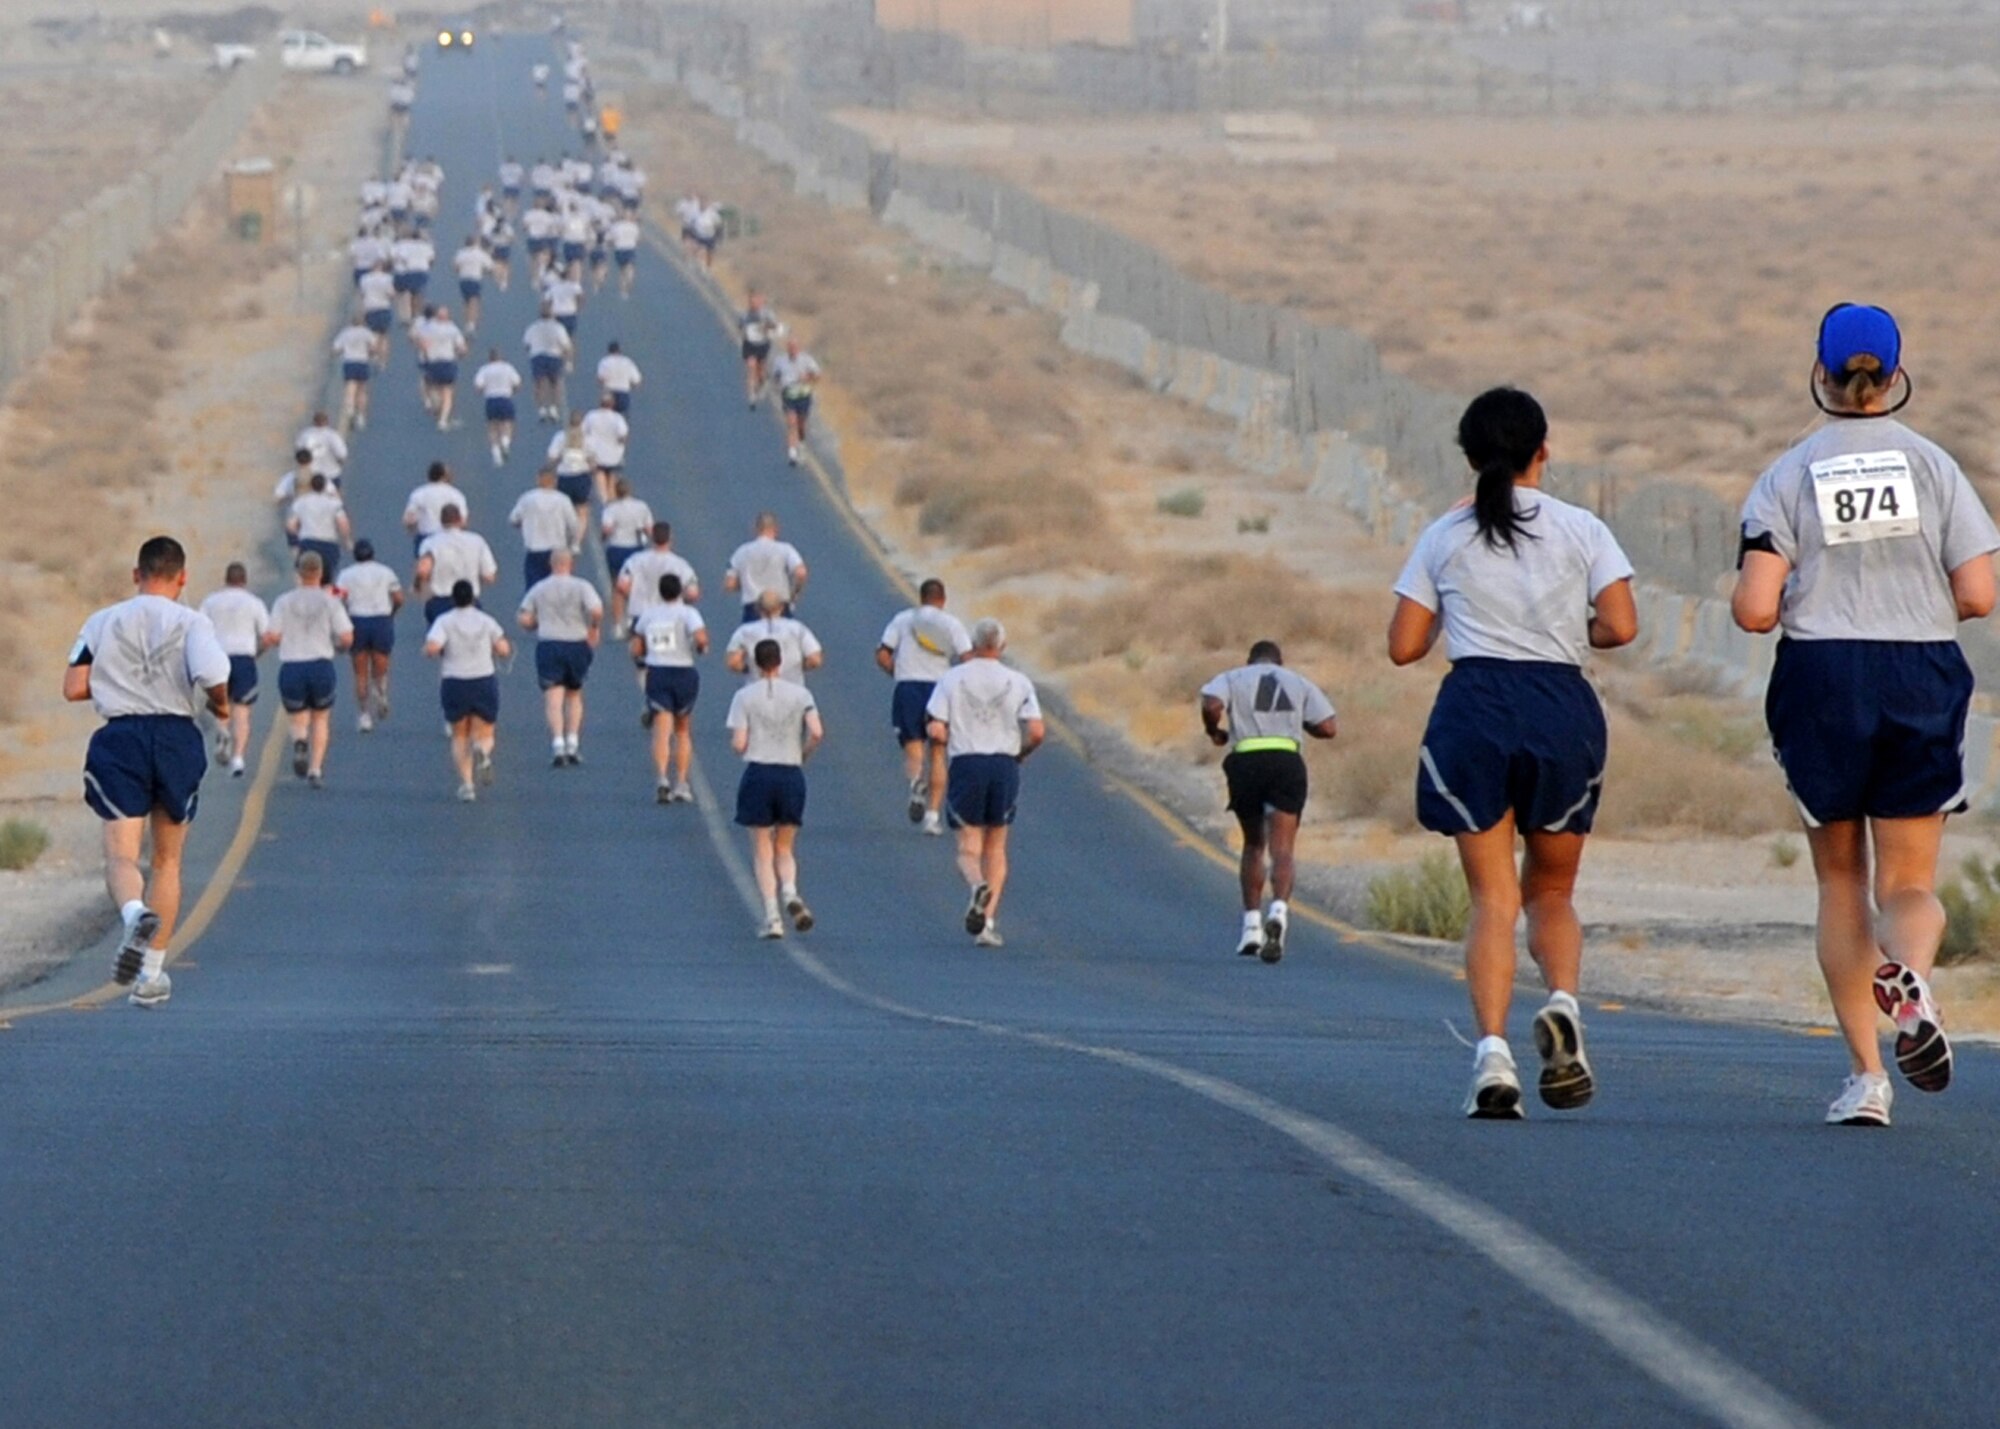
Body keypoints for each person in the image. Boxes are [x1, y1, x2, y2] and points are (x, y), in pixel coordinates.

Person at [1731, 305, 2000, 1128]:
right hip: (1918, 666)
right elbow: (1980, 593)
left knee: (1839, 879)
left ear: (1820, 373)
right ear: (1893, 376)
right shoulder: (1934, 467)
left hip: (1824, 675)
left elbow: (1753, 611)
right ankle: (1910, 974)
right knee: (1910, 881)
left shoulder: (1788, 473)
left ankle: (1865, 1078)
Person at [1387, 386, 1638, 1121]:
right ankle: (1562, 1002)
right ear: (1543, 450)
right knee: (1552, 892)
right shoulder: (1582, 528)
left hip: (1476, 706)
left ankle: (1492, 1053)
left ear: (1469, 457)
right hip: (1561, 704)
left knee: (1492, 899)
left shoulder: (1443, 535)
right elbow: (1621, 626)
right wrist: (1566, 633)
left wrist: (1458, 619)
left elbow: (1403, 646)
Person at [66, 536, 231, 1006]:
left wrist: (114, 683)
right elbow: (214, 677)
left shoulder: (101, 622)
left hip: (121, 737)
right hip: (176, 736)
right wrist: (219, 706)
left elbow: (73, 686)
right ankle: (152, 976)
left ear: (136, 575)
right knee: (168, 860)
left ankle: (135, 912)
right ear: (182, 578)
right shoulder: (193, 621)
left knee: (121, 856)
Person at [1199, 641, 1339, 963]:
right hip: (1285, 759)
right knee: (1283, 848)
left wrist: (1214, 731)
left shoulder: (1233, 677)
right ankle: (1279, 910)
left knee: (1253, 844)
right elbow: (1329, 727)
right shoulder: (1298, 681)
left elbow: (1211, 704)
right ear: (1279, 661)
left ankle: (1251, 926)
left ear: (1250, 661)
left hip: (1246, 759)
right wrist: (1299, 723)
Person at [926, 619, 1044, 949]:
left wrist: (946, 739)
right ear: (1002, 646)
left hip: (967, 762)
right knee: (997, 846)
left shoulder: (952, 678)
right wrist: (1022, 753)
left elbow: (935, 727)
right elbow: (1036, 731)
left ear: (974, 645)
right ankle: (987, 923)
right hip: (1004, 764)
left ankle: (977, 884)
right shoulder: (1018, 681)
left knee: (968, 847)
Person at [728, 638, 824, 939]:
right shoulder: (801, 693)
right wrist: (802, 753)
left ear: (756, 663)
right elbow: (817, 732)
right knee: (785, 846)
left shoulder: (744, 696)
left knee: (761, 848)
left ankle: (772, 916)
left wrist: (748, 748)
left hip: (759, 771)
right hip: (790, 771)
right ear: (780, 662)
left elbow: (739, 743)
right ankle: (791, 893)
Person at [877, 578, 971, 834]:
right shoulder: (951, 624)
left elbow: (883, 653)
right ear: (943, 599)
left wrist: (897, 672)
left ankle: (916, 784)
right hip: (940, 688)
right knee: (939, 751)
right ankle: (932, 817)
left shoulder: (903, 619)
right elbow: (967, 658)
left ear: (921, 597)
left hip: (908, 687)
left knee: (913, 745)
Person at [264, 550, 356, 789]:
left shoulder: (283, 602)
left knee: (297, 717)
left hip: (293, 664)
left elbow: (272, 636)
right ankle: (315, 769)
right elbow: (347, 636)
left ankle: (300, 741)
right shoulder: (330, 601)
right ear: (321, 573)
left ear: (299, 572)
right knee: (321, 717)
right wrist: (338, 646)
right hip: (320, 664)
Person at [425, 581, 513, 802]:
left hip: (455, 680)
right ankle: (482, 749)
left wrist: (430, 650)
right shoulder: (486, 620)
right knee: (486, 729)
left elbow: (433, 647)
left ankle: (467, 784)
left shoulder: (444, 621)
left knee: (459, 734)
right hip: (483, 679)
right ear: (473, 598)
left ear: (453, 599)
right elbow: (503, 649)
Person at [518, 547, 603, 767]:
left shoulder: (539, 588)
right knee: (574, 694)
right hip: (576, 643)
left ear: (551, 564)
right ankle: (573, 742)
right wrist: (593, 627)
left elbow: (524, 618)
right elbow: (596, 611)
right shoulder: (582, 586)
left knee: (553, 697)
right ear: (570, 564)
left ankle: (557, 743)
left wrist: (537, 623)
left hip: (549, 643)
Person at [629, 572, 707, 803]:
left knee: (662, 731)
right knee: (682, 730)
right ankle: (681, 783)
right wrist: (700, 647)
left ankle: (662, 778)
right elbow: (701, 638)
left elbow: (636, 647)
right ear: (680, 591)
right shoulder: (689, 613)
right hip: (683, 672)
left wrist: (645, 654)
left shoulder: (649, 615)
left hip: (658, 673)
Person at [197, 562, 268, 779]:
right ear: (244, 580)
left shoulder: (211, 601)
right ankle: (238, 758)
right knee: (242, 711)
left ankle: (223, 731)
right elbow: (266, 636)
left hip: (218, 657)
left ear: (226, 579)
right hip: (243, 657)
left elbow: (199, 630)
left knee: (221, 704)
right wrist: (256, 653)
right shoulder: (254, 603)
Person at [337, 539, 403, 732]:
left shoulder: (346, 575)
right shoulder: (386, 572)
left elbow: (336, 596)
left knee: (360, 672)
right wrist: (392, 613)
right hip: (381, 620)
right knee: (381, 663)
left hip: (357, 620)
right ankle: (381, 691)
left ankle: (364, 714)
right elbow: (399, 598)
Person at [413, 504, 499, 623]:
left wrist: (418, 586)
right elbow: (489, 576)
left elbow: (423, 571)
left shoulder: (431, 543)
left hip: (440, 602)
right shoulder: (477, 541)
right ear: (461, 520)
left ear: (441, 521)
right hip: (469, 601)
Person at [723, 512, 808, 623]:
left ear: (755, 529)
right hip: (780, 607)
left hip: (753, 609)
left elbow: (729, 585)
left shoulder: (742, 552)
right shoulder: (786, 549)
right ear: (776, 529)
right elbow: (801, 573)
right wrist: (795, 594)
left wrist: (745, 582)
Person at [726, 590, 824, 686]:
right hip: (792, 688)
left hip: (757, 688)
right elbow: (815, 660)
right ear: (781, 607)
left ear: (757, 608)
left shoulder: (744, 632)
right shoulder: (798, 629)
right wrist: (798, 667)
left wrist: (750, 669)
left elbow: (733, 662)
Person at [510, 465, 582, 591]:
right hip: (557, 550)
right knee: (559, 588)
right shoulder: (562, 500)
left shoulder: (528, 499)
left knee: (534, 589)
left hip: (535, 550)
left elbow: (514, 519)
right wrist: (573, 545)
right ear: (554, 481)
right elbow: (573, 525)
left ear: (538, 480)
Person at [286, 472, 350, 579]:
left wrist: (296, 541)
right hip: (328, 543)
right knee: (328, 577)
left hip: (308, 542)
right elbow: (343, 524)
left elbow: (291, 525)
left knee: (304, 576)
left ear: (311, 486)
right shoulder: (334, 504)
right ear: (325, 486)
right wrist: (347, 540)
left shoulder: (301, 502)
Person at [416, 302, 468, 432]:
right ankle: (443, 420)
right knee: (448, 391)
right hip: (448, 361)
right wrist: (460, 355)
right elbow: (462, 348)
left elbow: (421, 343)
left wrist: (427, 354)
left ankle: (434, 405)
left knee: (433, 386)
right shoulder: (453, 329)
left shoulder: (428, 328)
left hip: (433, 362)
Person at [771, 337, 821, 466]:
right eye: (790, 347)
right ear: (787, 348)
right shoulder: (780, 361)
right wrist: (777, 384)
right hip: (788, 396)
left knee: (801, 424)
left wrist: (807, 377)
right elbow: (775, 376)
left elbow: (817, 375)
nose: (792, 350)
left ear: (799, 348)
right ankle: (792, 454)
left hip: (803, 396)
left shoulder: (806, 360)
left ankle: (802, 442)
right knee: (791, 424)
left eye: (795, 347)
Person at [524, 301, 575, 424]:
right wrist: (568, 361)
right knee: (555, 383)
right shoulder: (558, 327)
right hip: (554, 356)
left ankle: (542, 409)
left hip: (538, 356)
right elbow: (567, 346)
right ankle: (553, 408)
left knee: (539, 383)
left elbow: (526, 344)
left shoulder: (533, 327)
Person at [403, 461, 467, 557]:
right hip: (449, 540)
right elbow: (463, 521)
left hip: (425, 539)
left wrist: (412, 531)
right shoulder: (455, 495)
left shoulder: (419, 494)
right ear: (444, 475)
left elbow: (409, 520)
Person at [474, 347, 523, 468]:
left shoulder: (484, 369)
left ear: (489, 358)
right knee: (507, 424)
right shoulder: (508, 368)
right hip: (505, 398)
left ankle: (496, 455)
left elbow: (478, 387)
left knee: (492, 428)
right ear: (500, 357)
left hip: (491, 399)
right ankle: (505, 443)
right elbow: (517, 384)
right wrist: (512, 390)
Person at [331, 310, 378, 431]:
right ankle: (360, 416)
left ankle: (350, 409)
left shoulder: (345, 333)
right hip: (362, 362)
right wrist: (370, 354)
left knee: (350, 388)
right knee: (362, 390)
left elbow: (335, 349)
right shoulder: (367, 333)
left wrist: (341, 353)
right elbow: (373, 348)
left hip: (349, 362)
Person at [600, 476, 652, 583]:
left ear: (616, 492)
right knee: (636, 583)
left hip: (616, 548)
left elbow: (607, 529)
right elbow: (648, 530)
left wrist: (603, 538)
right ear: (630, 490)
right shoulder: (641, 507)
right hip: (635, 548)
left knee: (617, 584)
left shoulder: (611, 508)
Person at [580, 393, 630, 504]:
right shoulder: (617, 418)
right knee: (611, 476)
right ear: (612, 404)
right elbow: (623, 436)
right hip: (613, 454)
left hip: (596, 453)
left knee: (599, 475)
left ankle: (604, 499)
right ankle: (611, 497)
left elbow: (582, 432)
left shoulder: (591, 416)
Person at [546, 408, 596, 509]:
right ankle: (581, 525)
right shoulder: (587, 439)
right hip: (582, 476)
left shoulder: (560, 437)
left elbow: (551, 458)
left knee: (564, 507)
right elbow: (592, 462)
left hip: (564, 476)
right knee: (582, 507)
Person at [740, 289, 780, 407]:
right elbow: (741, 326)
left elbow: (774, 326)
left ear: (761, 302)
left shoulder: (767, 314)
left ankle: (763, 381)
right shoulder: (745, 314)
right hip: (749, 344)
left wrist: (765, 327)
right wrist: (745, 333)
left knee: (760, 368)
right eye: (751, 302)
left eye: (755, 302)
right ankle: (752, 395)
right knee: (751, 367)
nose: (753, 305)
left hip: (762, 344)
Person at [452, 236, 495, 334]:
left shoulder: (461, 253)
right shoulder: (480, 253)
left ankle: (467, 321)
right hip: (475, 278)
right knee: (474, 301)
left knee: (466, 301)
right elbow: (490, 267)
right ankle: (471, 323)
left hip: (463, 279)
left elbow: (455, 267)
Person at [358, 261, 397, 364]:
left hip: (370, 307)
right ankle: (383, 360)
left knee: (372, 334)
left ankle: (373, 354)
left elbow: (362, 295)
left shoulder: (364, 279)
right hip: (383, 307)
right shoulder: (387, 278)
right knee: (384, 335)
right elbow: (391, 294)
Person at [296, 411, 348, 485]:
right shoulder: (333, 435)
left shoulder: (305, 435)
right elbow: (342, 455)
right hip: (331, 474)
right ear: (327, 422)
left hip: (311, 475)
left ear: (313, 421)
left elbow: (299, 453)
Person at [597, 341, 642, 414]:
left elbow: (600, 379)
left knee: (608, 417)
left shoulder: (604, 362)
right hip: (623, 393)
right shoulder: (627, 362)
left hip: (609, 393)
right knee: (621, 418)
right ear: (619, 351)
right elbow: (637, 381)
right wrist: (627, 385)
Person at [609, 211, 640, 298]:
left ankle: (623, 290)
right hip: (630, 248)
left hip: (619, 249)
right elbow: (638, 239)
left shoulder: (616, 226)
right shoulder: (634, 226)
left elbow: (612, 239)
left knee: (622, 270)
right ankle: (629, 281)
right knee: (630, 267)